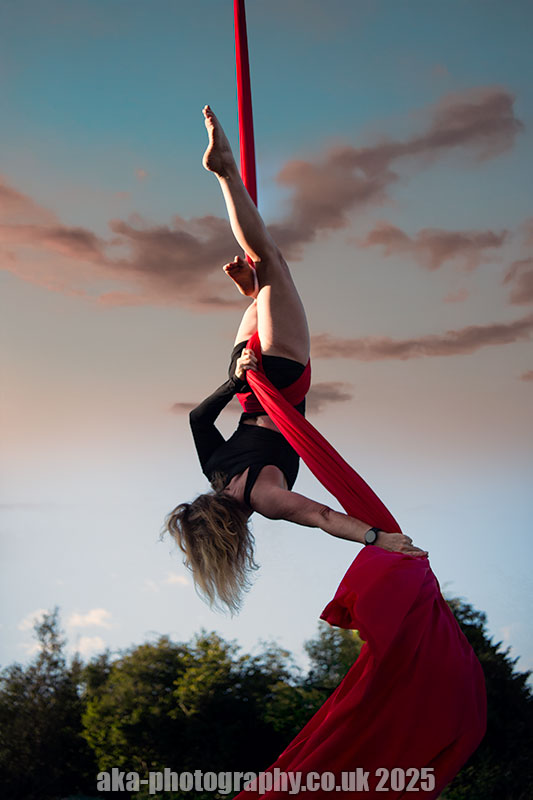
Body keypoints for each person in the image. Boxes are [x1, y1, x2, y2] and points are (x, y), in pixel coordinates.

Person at [164, 106, 427, 613]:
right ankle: (252, 293)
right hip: (246, 377)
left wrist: (377, 539)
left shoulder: (265, 499)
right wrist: (235, 377)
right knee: (264, 279)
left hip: (280, 377)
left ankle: (223, 171)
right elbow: (198, 418)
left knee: (271, 261)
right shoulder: (215, 472)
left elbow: (324, 517)